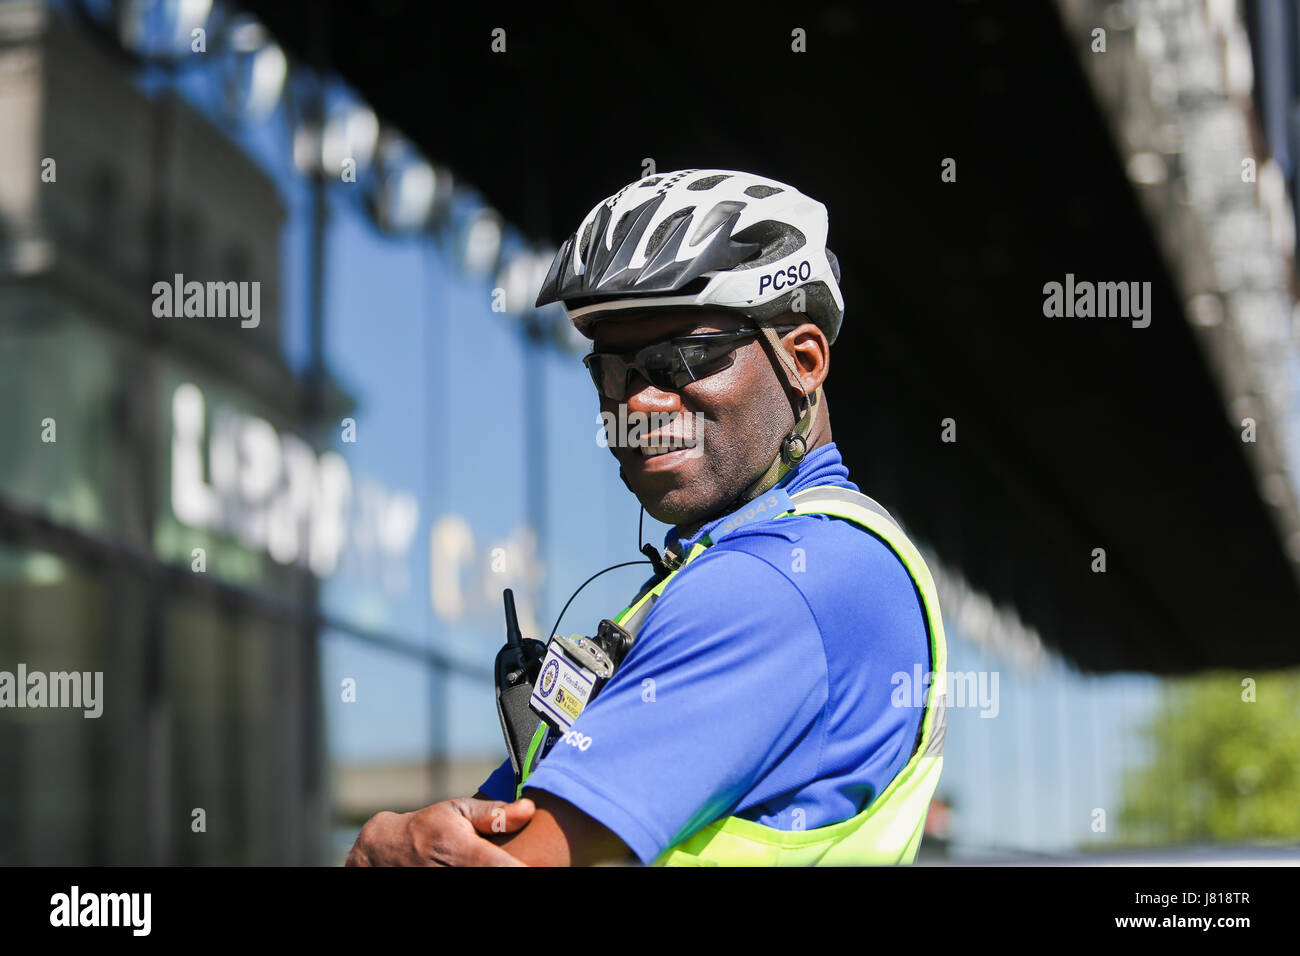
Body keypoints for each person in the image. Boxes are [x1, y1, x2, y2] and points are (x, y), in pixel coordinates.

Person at [346, 169, 948, 867]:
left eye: (683, 358)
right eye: (614, 370)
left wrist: (387, 850)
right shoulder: (763, 570)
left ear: (804, 360)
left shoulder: (783, 581)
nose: (640, 404)